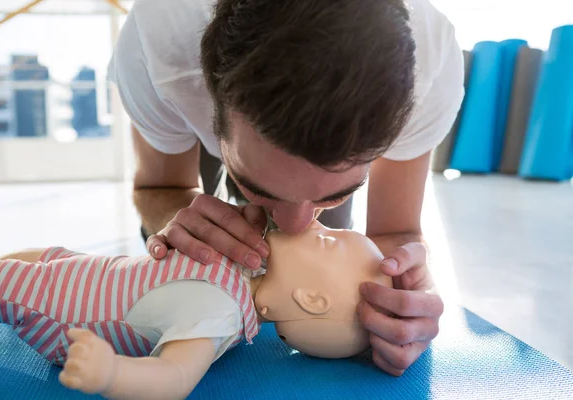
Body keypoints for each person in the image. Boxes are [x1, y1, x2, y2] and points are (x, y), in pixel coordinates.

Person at [107, 0, 463, 376]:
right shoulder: (159, 45)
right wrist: (178, 224)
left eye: (335, 192)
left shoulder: (430, 69)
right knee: (181, 245)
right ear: (208, 97)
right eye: (255, 185)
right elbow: (160, 185)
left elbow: (394, 231)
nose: (294, 226)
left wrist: (407, 300)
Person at [0, 221, 391, 399]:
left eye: (326, 239)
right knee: (4, 262)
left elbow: (174, 378)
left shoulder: (221, 313)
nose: (315, 222)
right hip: (80, 267)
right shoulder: (244, 267)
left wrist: (111, 373)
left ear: (310, 300)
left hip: (65, 308)